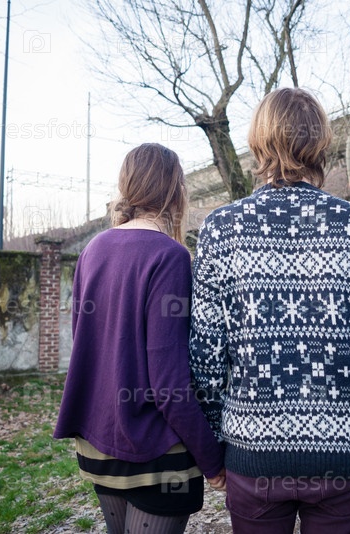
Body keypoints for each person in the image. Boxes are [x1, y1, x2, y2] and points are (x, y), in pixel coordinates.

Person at [189, 88, 350, 534]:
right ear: (320, 143)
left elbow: (205, 356)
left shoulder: (221, 229)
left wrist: (213, 450)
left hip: (253, 455)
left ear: (258, 142)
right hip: (345, 455)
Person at [54, 143, 226, 534]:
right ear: (176, 191)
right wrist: (212, 460)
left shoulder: (93, 249)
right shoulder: (170, 256)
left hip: (99, 443)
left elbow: (88, 347)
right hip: (156, 452)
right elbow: (169, 383)